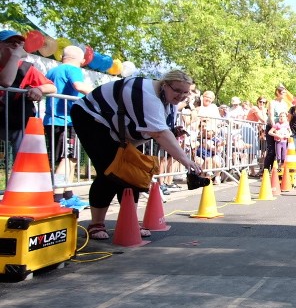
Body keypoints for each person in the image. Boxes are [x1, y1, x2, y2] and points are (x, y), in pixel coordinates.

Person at [70, 69, 206, 241]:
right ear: (165, 85)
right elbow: (159, 133)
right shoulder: (146, 93)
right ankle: (96, 224)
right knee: (111, 172)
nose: (180, 96)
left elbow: (161, 130)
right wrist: (186, 161)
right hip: (92, 119)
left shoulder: (168, 101)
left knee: (133, 174)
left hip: (121, 131)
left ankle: (130, 220)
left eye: (185, 93)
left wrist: (172, 132)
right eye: (177, 90)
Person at [44, 45, 93, 207]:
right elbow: (79, 86)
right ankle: (57, 196)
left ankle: (68, 193)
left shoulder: (52, 71)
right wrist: (96, 95)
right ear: (80, 59)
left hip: (53, 120)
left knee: (70, 159)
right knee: (66, 159)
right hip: (66, 120)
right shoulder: (73, 69)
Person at [0, 30, 57, 169]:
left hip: (16, 122)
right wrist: (15, 56)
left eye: (20, 44)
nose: (17, 47)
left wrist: (39, 89)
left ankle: (20, 187)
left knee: (24, 159)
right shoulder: (16, 59)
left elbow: (52, 87)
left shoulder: (26, 69)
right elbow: (6, 81)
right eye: (12, 43)